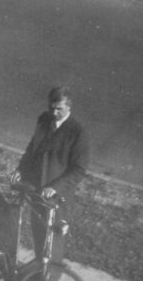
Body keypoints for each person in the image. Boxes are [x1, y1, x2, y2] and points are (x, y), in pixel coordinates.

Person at [11, 86, 90, 264]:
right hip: (36, 187)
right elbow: (32, 149)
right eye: (51, 108)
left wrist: (56, 187)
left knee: (53, 236)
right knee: (39, 230)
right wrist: (20, 169)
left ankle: (48, 275)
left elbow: (79, 169)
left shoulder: (77, 133)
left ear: (69, 108)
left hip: (56, 194)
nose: (54, 113)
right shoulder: (44, 120)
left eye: (59, 109)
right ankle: (40, 267)